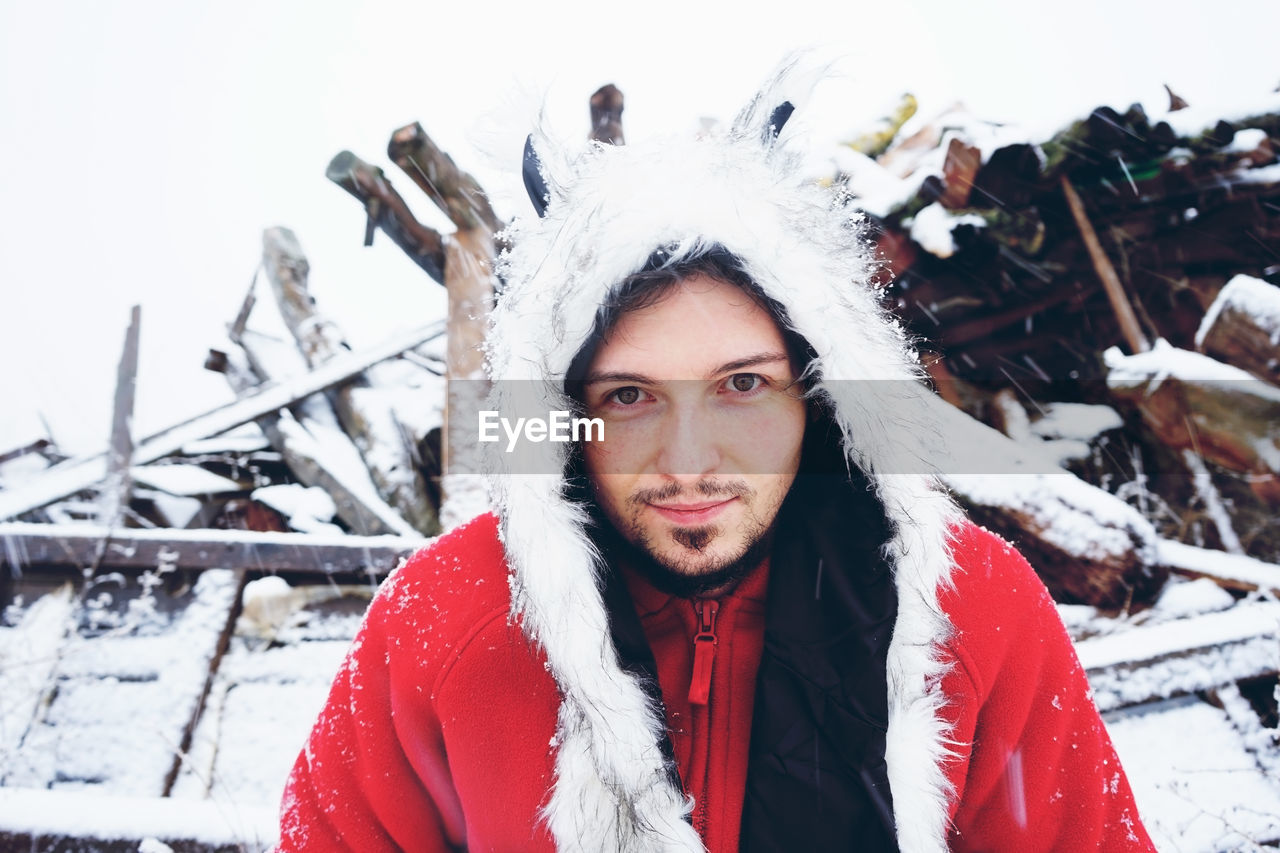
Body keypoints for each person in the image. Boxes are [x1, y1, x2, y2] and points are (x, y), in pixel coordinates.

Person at [276, 69, 1156, 852]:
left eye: (741, 384)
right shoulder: (438, 622)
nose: (687, 462)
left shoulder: (973, 611)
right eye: (628, 395)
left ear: (818, 395)